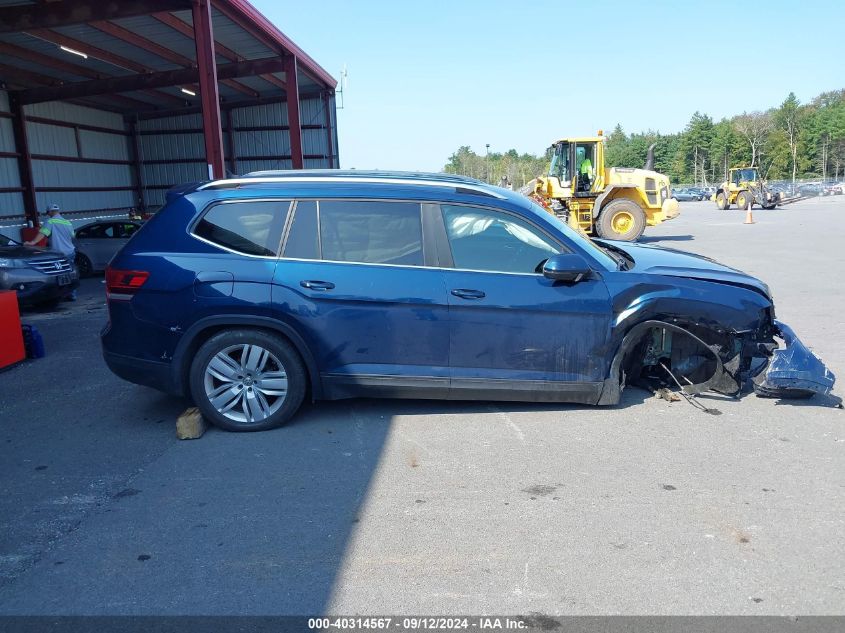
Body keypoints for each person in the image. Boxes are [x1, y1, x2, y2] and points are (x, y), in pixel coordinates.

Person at [24, 203, 77, 300]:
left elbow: (43, 233)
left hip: (59, 253)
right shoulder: (68, 222)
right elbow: (72, 236)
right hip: (70, 251)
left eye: (48, 213)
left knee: (58, 275)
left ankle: (59, 294)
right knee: (70, 273)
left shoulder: (50, 221)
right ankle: (72, 294)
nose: (48, 215)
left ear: (50, 212)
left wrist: (32, 242)